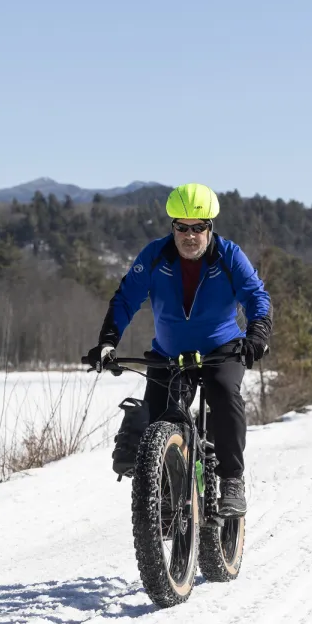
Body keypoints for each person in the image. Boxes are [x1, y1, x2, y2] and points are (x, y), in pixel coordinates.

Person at [85, 183, 272, 517]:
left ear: (209, 228)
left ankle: (231, 480)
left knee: (224, 392)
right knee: (160, 419)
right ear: (173, 227)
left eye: (198, 228)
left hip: (222, 349)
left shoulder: (229, 255)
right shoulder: (155, 255)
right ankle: (168, 493)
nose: (190, 235)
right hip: (169, 354)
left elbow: (256, 297)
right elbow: (127, 298)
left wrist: (257, 335)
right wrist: (108, 341)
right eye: (182, 228)